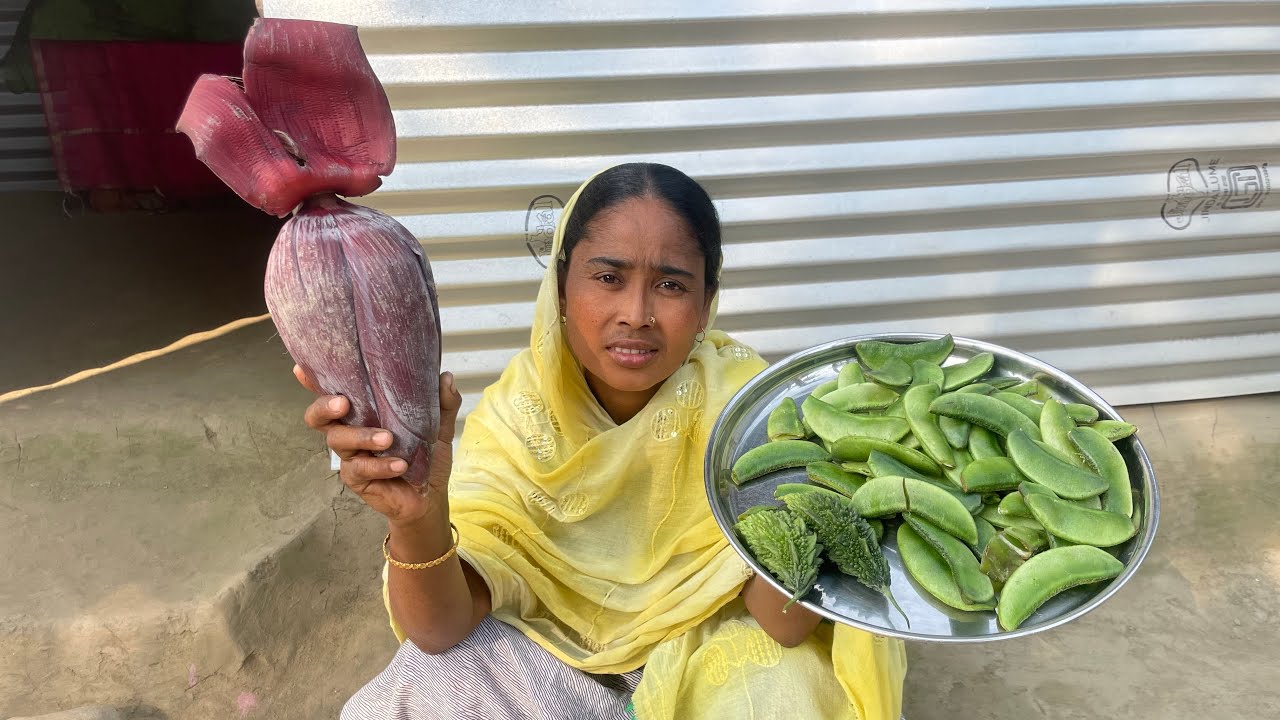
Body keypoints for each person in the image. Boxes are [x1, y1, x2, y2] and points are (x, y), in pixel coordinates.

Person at [295, 163, 907, 719]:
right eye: (608, 277)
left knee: (785, 695)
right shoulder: (517, 417)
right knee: (414, 697)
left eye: (670, 285)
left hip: (702, 652)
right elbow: (439, 629)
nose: (636, 313)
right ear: (561, 290)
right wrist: (417, 516)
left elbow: (781, 622)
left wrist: (847, 493)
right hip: (548, 656)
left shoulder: (752, 412)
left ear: (706, 305)